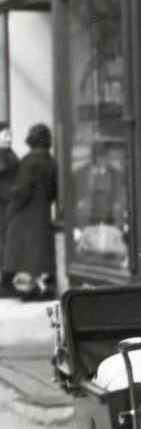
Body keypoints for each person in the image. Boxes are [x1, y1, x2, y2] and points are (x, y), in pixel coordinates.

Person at [3, 123, 59, 302]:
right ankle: (42, 288)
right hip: (42, 214)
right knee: (37, 258)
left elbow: (22, 190)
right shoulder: (51, 162)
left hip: (25, 216)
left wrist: (12, 205)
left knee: (24, 259)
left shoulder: (29, 162)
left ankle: (29, 291)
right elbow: (53, 191)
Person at [0, 123, 19, 295]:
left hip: (9, 204)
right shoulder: (5, 155)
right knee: (5, 243)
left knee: (8, 243)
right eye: (5, 135)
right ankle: (6, 282)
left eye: (10, 135)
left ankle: (7, 281)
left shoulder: (9, 154)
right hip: (4, 204)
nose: (8, 138)